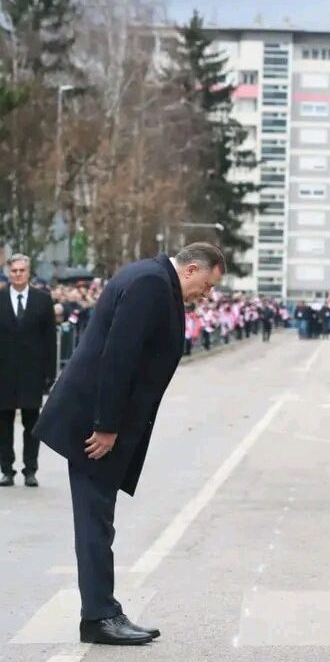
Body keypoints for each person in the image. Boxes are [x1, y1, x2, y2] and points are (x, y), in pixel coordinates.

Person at [33, 243, 225, 646]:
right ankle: (99, 616)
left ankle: (102, 610)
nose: (205, 296)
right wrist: (106, 425)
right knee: (95, 522)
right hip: (94, 425)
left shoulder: (151, 277)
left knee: (98, 520)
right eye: (206, 287)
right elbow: (117, 356)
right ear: (191, 269)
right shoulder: (152, 285)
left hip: (99, 419)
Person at [0, 253, 56, 487]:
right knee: (3, 426)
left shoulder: (43, 300)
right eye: (14, 271)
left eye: (22, 270)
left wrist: (49, 375)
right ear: (8, 272)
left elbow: (50, 341)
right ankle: (7, 470)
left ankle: (30, 469)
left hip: (32, 374)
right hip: (4, 374)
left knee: (32, 425)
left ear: (28, 272)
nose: (18, 274)